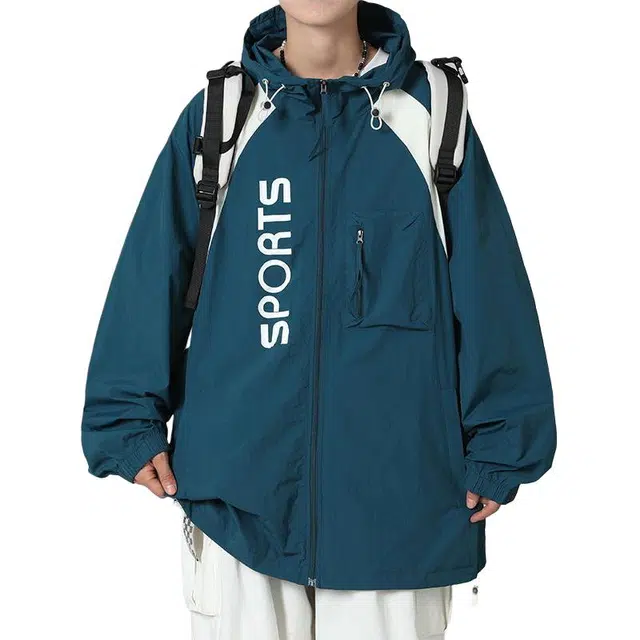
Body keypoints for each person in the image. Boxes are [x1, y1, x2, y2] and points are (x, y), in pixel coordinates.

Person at [81, 1, 557, 638]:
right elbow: (154, 268)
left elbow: (489, 284)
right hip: (236, 494)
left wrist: (503, 442)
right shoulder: (223, 116)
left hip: (400, 503)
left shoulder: (432, 114)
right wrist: (127, 421)